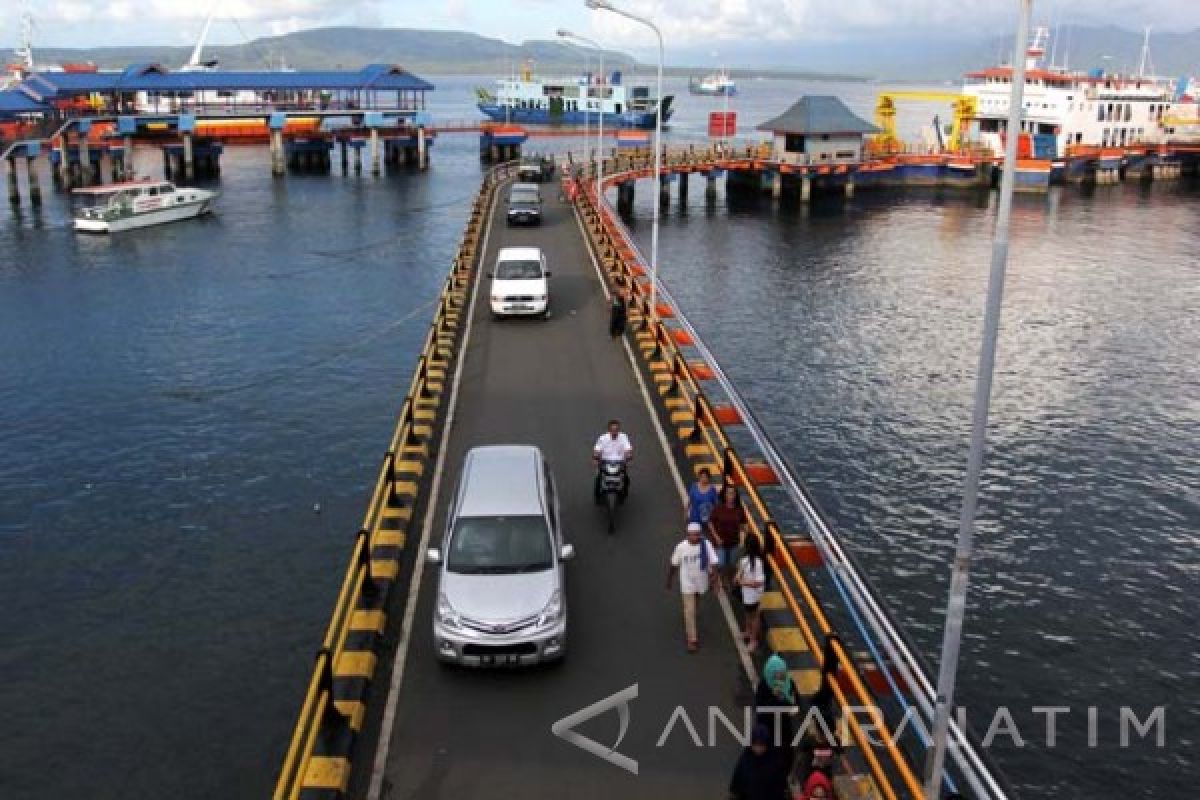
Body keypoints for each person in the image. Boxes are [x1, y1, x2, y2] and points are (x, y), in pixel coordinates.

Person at [666, 521, 719, 652]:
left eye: (696, 535)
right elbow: (674, 564)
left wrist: (715, 580)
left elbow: (714, 563)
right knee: (689, 611)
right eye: (690, 535)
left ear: (700, 535)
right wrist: (669, 580)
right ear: (687, 535)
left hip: (701, 580)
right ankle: (692, 639)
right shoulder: (681, 547)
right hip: (687, 582)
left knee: (696, 601)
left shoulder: (705, 545)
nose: (693, 538)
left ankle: (693, 614)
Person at [754, 654, 799, 767]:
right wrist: (777, 699)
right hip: (768, 727)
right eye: (776, 675)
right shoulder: (764, 687)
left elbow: (795, 702)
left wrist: (788, 702)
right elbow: (762, 708)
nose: (780, 678)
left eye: (782, 674)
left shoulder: (789, 683)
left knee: (786, 754)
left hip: (783, 726)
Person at [728, 723, 789, 800]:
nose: (758, 748)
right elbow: (737, 782)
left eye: (761, 745)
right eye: (755, 745)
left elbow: (781, 786)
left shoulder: (775, 761)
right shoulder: (746, 759)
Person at [709, 483, 747, 584]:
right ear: (725, 495)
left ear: (736, 495)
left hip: (734, 542)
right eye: (728, 493)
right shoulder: (718, 508)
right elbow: (711, 522)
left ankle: (728, 581)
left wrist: (743, 539)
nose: (731, 496)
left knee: (732, 564)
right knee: (721, 563)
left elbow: (743, 525)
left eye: (732, 493)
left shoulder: (739, 510)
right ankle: (718, 578)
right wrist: (716, 537)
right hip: (720, 542)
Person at [735, 533, 766, 653]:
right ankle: (748, 632)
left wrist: (742, 582)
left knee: (754, 617)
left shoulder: (757, 563)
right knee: (748, 614)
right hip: (748, 595)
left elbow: (758, 582)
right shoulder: (746, 560)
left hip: (754, 595)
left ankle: (753, 640)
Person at [592, 419, 632, 499]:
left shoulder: (623, 437)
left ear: (619, 430)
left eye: (616, 430)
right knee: (598, 478)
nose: (615, 432)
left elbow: (628, 449)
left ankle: (624, 493)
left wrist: (628, 457)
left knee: (626, 478)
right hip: (605, 461)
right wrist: (595, 458)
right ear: (609, 430)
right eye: (613, 430)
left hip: (619, 462)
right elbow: (597, 449)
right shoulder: (603, 438)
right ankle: (597, 496)